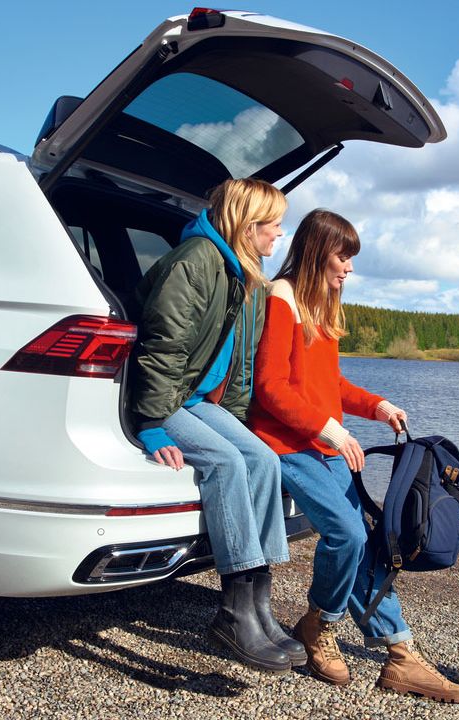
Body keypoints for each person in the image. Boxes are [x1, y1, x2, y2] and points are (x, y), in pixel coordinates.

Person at [249, 209, 459, 703]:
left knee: (366, 544)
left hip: (321, 443)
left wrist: (377, 406)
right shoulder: (281, 297)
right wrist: (329, 428)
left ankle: (400, 653)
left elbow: (331, 386)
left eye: (351, 258)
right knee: (346, 535)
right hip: (287, 444)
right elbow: (270, 388)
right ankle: (319, 624)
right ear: (315, 249)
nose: (348, 267)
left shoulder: (321, 304)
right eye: (342, 255)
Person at [130, 177, 303, 673]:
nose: (277, 237)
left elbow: (240, 364)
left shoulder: (245, 273)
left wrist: (241, 421)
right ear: (247, 226)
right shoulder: (196, 262)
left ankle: (259, 605)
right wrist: (152, 424)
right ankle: (233, 612)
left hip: (201, 400)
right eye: (272, 226)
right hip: (165, 399)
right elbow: (162, 348)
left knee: (262, 459)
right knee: (226, 463)